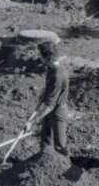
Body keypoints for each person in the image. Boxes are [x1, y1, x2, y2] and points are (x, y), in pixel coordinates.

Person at [30, 30, 71, 158]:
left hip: (58, 110)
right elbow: (46, 95)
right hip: (50, 109)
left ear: (46, 57)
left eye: (40, 56)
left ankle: (63, 166)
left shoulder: (57, 75)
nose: (39, 58)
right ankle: (43, 165)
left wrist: (33, 121)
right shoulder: (51, 69)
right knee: (45, 141)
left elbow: (50, 104)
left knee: (59, 144)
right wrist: (38, 108)